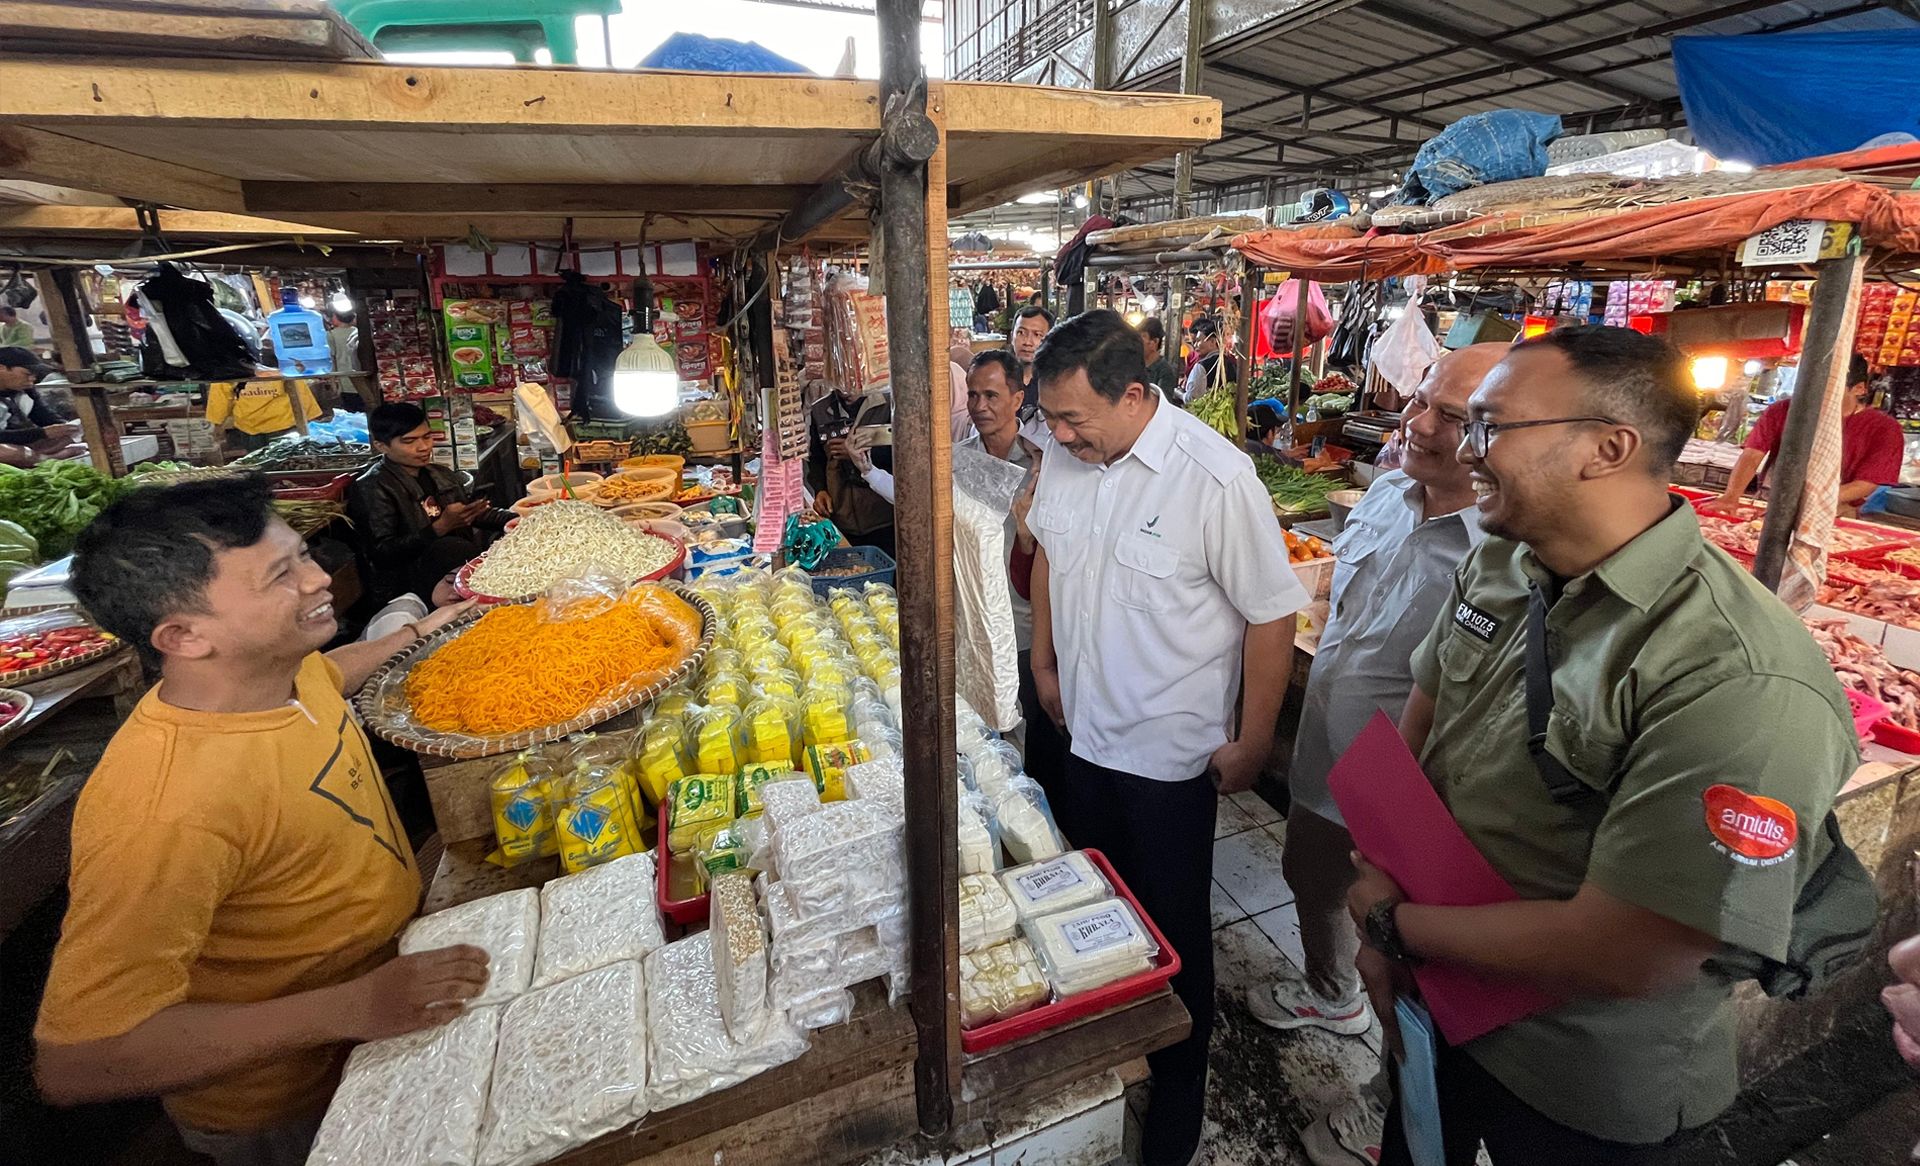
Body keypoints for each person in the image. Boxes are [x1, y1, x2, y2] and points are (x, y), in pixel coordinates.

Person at [1352, 327, 1858, 1164]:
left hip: (1575, 1074)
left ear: (1608, 448)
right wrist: (1383, 905)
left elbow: (1633, 951)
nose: (1465, 450)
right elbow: (1417, 745)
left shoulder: (1739, 678)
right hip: (1438, 1000)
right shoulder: (1504, 566)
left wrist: (1391, 923)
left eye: (1489, 427)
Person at [35, 477, 488, 1166]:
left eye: (303, 555)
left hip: (395, 1001)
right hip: (288, 1102)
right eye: (282, 575)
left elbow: (332, 676)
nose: (317, 580)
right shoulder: (166, 809)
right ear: (183, 635)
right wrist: (352, 1006)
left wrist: (425, 630)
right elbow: (79, 1059)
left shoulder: (282, 671)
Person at [1027, 309, 1306, 1166]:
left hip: (1167, 757)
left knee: (1175, 935)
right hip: (1081, 738)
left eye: (1075, 418)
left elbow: (1270, 613)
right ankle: (1105, 1063)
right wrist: (1044, 669)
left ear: (1136, 394)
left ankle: (1177, 1111)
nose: (1061, 434)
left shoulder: (1213, 479)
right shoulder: (1069, 459)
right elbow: (1045, 554)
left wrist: (1253, 741)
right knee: (1090, 913)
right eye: (1052, 419)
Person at [1243, 344, 1508, 1166]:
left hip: (1419, 792)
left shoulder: (1503, 554)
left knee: (1406, 963)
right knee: (1309, 872)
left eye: (1453, 418)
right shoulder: (1387, 491)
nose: (1419, 423)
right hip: (1331, 747)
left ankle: (1390, 1107)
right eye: (1421, 400)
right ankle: (1329, 993)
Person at [347, 402, 507, 607]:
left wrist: (521, 520)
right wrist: (439, 527)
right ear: (381, 446)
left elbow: (471, 513)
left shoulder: (438, 473)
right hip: (411, 589)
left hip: (455, 573)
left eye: (427, 437)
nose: (423, 447)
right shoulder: (372, 487)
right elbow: (382, 553)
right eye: (409, 441)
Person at [1706, 355, 1901, 515]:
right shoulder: (1782, 410)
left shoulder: (1885, 428)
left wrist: (1807, 503)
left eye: (1828, 389)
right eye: (1810, 387)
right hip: (1771, 501)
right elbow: (1752, 455)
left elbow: (1865, 484)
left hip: (1835, 510)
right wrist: (1731, 496)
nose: (1814, 396)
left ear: (1859, 388)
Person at [808, 378, 895, 559]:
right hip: (841, 517)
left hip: (883, 519)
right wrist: (820, 489)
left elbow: (901, 460)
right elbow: (816, 458)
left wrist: (855, 454)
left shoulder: (887, 405)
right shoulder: (820, 410)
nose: (846, 391)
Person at [205, 375, 325, 454]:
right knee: (283, 462)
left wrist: (217, 423)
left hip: (263, 426)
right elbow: (299, 392)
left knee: (260, 465)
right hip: (275, 424)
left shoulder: (230, 367)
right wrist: (310, 417)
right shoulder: (277, 362)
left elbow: (220, 397)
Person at [0, 347, 77, 454]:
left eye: (34, 375)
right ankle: (44, 458)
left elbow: (43, 416)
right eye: (27, 374)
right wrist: (41, 433)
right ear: (2, 368)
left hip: (20, 444)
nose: (32, 379)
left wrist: (66, 428)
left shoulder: (24, 391)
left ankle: (38, 457)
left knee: (69, 439)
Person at [1182, 316, 1239, 404]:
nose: (1195, 345)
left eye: (1198, 341)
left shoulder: (1201, 367)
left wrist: (1180, 394)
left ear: (1212, 342)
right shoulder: (1232, 363)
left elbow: (1192, 399)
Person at [1010, 304, 1053, 398]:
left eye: (1037, 334)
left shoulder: (1055, 384)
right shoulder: (999, 379)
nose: (1027, 342)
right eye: (1021, 333)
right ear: (1011, 337)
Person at [1141, 317, 1181, 404]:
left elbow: (1163, 403)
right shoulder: (1136, 365)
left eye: (1142, 337)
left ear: (1155, 342)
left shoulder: (1165, 371)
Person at [326, 309, 360, 375]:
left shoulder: (331, 334)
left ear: (337, 317)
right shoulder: (358, 331)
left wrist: (333, 374)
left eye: (333, 316)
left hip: (342, 371)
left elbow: (332, 356)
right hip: (359, 369)